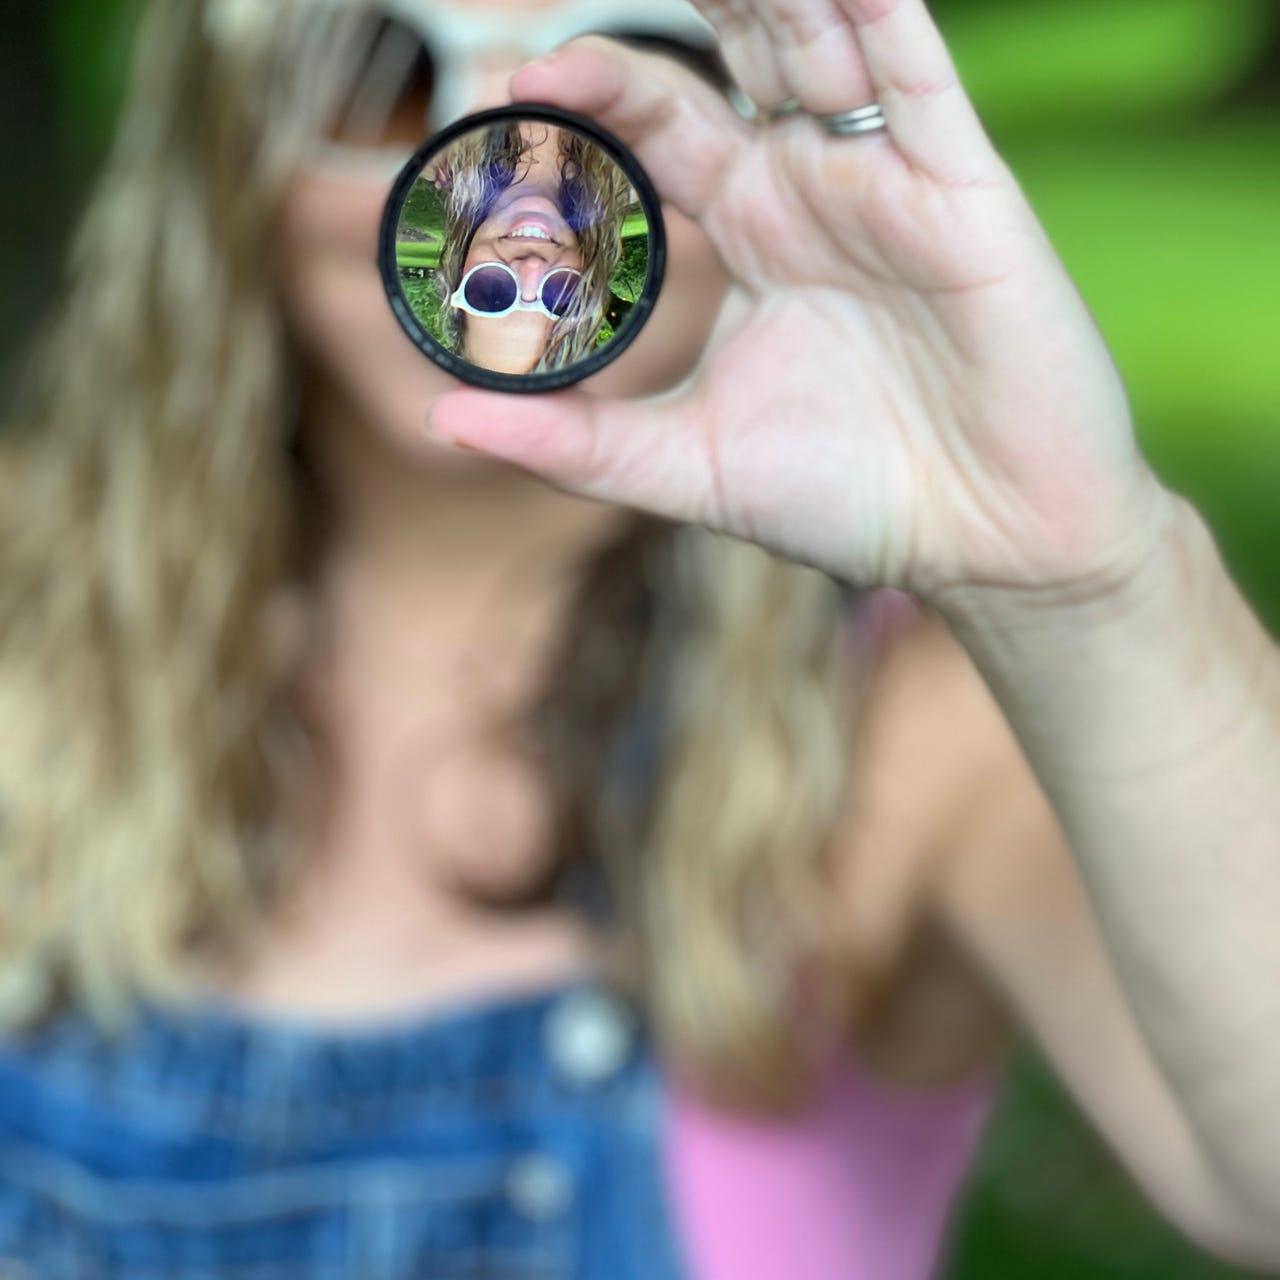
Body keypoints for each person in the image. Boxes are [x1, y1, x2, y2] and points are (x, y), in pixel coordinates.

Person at [0, 2, 1277, 1279]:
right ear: (224, 142)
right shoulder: (22, 601)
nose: (495, 168)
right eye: (380, 69)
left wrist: (1091, 586)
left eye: (631, 80)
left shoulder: (919, 737)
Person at [432, 119, 633, 374]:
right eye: (560, 298)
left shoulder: (438, 141)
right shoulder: (635, 165)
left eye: (493, 292)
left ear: (460, 269)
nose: (532, 266)